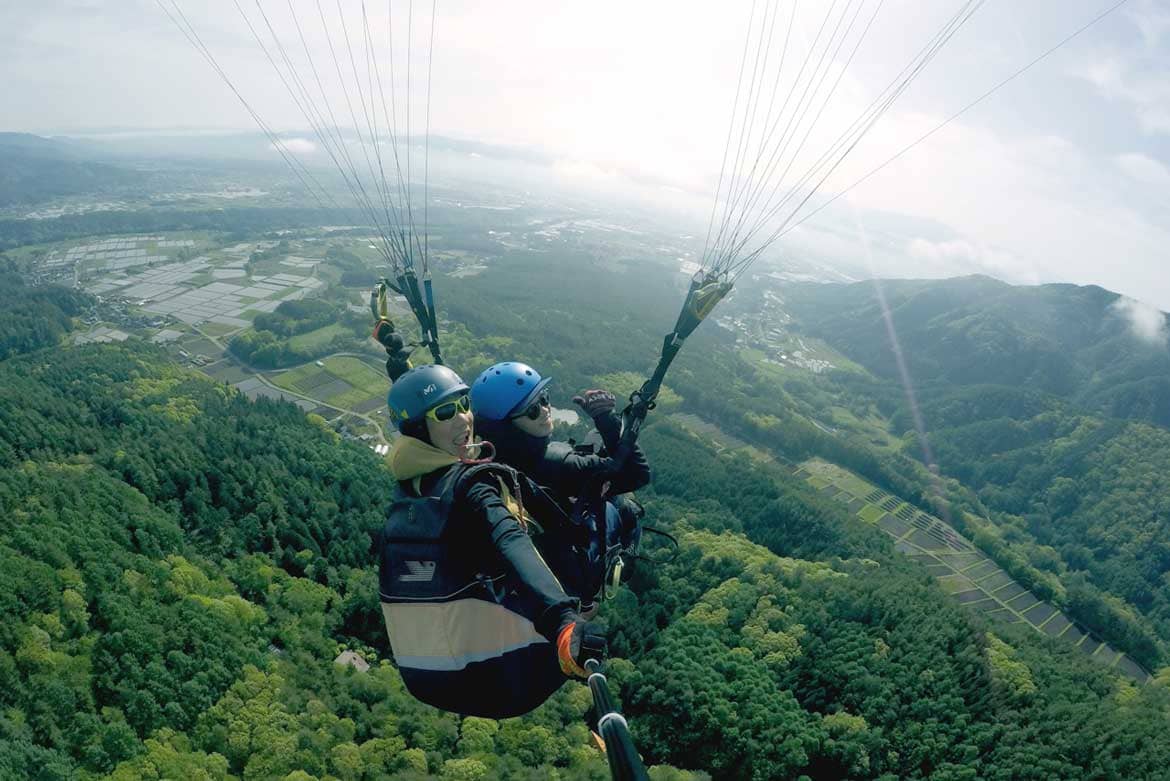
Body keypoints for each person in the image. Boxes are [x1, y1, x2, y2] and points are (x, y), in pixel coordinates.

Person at [378, 364, 605, 718]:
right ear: (418, 428)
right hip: (505, 681)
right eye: (446, 412)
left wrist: (400, 363)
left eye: (464, 403)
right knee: (587, 538)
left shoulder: (409, 488)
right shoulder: (472, 485)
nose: (464, 420)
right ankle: (584, 603)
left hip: (427, 680)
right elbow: (511, 540)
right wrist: (563, 621)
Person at [470, 361, 651, 607]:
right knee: (626, 507)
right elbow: (637, 475)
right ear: (505, 427)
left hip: (535, 558)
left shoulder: (483, 454)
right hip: (571, 562)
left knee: (592, 442)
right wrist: (607, 421)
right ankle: (619, 565)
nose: (545, 410)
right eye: (533, 410)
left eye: (544, 398)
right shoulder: (561, 466)